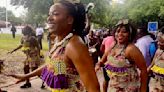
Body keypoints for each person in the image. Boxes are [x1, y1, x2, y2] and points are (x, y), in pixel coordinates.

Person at [9, 0, 100, 92]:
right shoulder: (58, 41)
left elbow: (93, 88)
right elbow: (50, 66)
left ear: (69, 19)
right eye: (49, 14)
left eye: (55, 14)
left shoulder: (74, 45)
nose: (49, 18)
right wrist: (26, 76)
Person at [95, 19, 147, 92]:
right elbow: (102, 60)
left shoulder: (131, 49)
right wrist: (98, 65)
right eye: (118, 31)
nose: (120, 34)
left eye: (124, 32)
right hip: (113, 87)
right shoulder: (113, 45)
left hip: (128, 89)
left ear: (130, 34)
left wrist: (143, 90)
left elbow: (143, 70)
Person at [147, 27, 164, 92]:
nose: (158, 44)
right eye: (158, 41)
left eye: (162, 42)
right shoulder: (158, 51)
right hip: (155, 83)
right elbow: (152, 64)